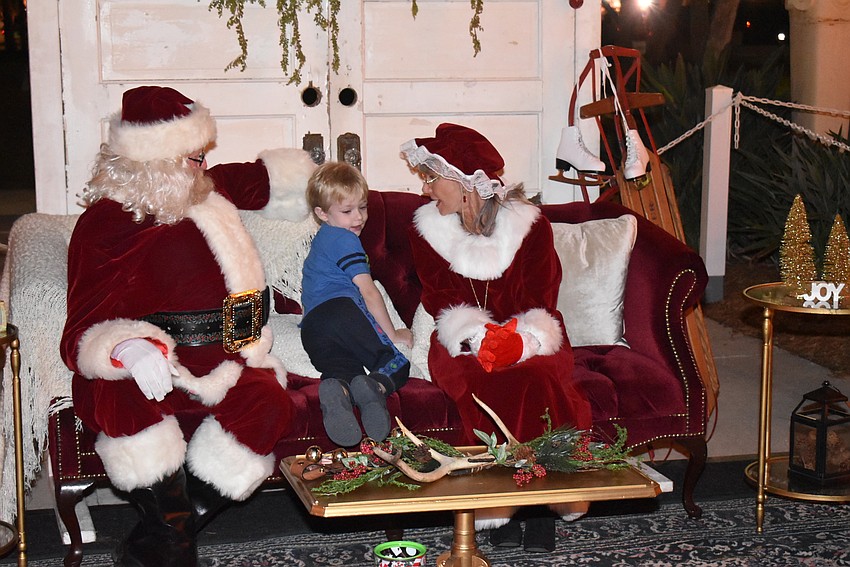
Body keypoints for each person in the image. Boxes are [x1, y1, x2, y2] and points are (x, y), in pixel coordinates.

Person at [60, 85, 316, 567]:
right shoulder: (106, 223)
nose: (205, 166)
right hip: (151, 369)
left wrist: (325, 181)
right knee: (122, 402)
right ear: (157, 161)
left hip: (226, 363)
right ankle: (175, 547)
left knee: (267, 401)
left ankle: (164, 535)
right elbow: (79, 332)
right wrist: (128, 349)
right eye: (194, 157)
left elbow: (264, 179)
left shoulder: (206, 192)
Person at [401, 123, 592, 553]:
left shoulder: (530, 226)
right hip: (460, 339)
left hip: (531, 333)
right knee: (484, 378)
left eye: (432, 178)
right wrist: (479, 338)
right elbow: (442, 299)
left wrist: (522, 341)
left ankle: (540, 504)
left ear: (464, 183)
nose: (425, 190)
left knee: (537, 376)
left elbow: (541, 296)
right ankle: (503, 498)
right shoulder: (424, 230)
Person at [300, 161, 413, 448]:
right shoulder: (345, 240)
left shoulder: (322, 240)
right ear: (322, 213)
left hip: (313, 329)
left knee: (346, 372)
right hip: (342, 313)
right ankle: (376, 386)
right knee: (396, 364)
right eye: (347, 211)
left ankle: (336, 388)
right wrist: (392, 334)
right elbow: (369, 292)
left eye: (362, 207)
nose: (359, 217)